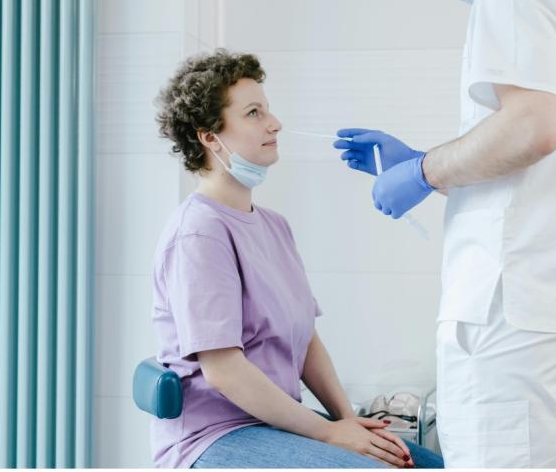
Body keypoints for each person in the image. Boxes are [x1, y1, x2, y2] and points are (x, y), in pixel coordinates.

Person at [334, 0, 556, 468]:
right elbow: (538, 168)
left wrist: (422, 171)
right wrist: (419, 162)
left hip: (509, 316)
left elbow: (534, 128)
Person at [150, 49, 444, 469]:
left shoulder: (274, 226)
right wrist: (329, 433)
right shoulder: (199, 233)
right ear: (209, 137)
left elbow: (306, 341)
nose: (274, 123)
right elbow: (224, 371)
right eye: (253, 113)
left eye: (267, 109)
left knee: (426, 464)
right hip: (215, 436)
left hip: (276, 425)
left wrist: (348, 421)